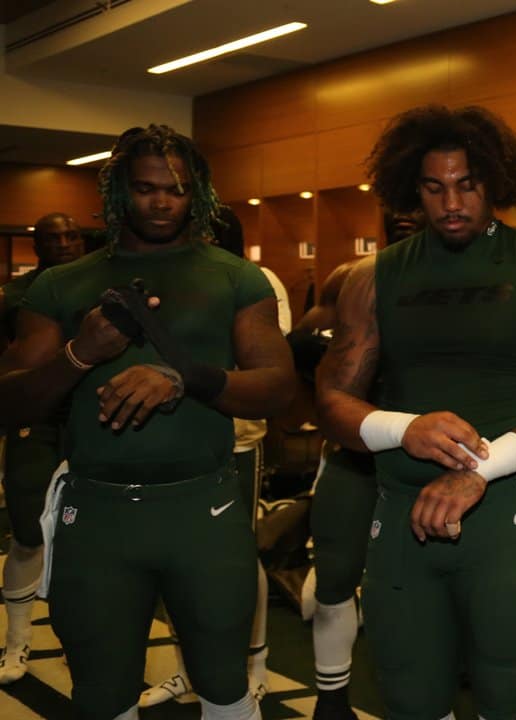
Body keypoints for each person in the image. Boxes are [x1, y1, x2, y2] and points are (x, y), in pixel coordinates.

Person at [0, 124, 295, 720]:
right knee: (103, 695)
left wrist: (186, 379)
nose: (162, 202)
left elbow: (277, 387)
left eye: (179, 190)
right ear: (118, 193)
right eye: (146, 188)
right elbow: (9, 403)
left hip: (202, 509)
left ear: (200, 195)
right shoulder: (62, 284)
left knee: (224, 684)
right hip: (98, 514)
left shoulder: (235, 276)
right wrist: (82, 352)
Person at [316, 105, 516, 720]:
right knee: (410, 692)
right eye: (434, 186)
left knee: (505, 692)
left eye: (467, 183)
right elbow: (332, 399)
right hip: (401, 516)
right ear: (408, 189)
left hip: (507, 513)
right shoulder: (371, 278)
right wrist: (403, 429)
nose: (452, 202)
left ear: (493, 180)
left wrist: (479, 470)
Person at [139, 205, 290, 707]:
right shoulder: (171, 275)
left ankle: (255, 663)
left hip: (238, 443)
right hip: (173, 446)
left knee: (239, 561)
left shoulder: (255, 280)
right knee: (175, 563)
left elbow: (266, 365)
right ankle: (188, 669)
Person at [297, 208, 424, 720]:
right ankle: (330, 700)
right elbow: (303, 342)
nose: (408, 217)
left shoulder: (462, 285)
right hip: (355, 458)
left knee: (415, 592)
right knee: (335, 577)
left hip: (426, 462)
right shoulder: (352, 278)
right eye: (400, 206)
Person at [0, 212, 84, 683]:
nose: (65, 243)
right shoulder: (17, 295)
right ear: (38, 244)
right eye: (54, 237)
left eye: (72, 235)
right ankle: (17, 641)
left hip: (85, 420)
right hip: (34, 419)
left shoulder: (97, 283)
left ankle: (76, 639)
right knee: (30, 533)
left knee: (80, 540)